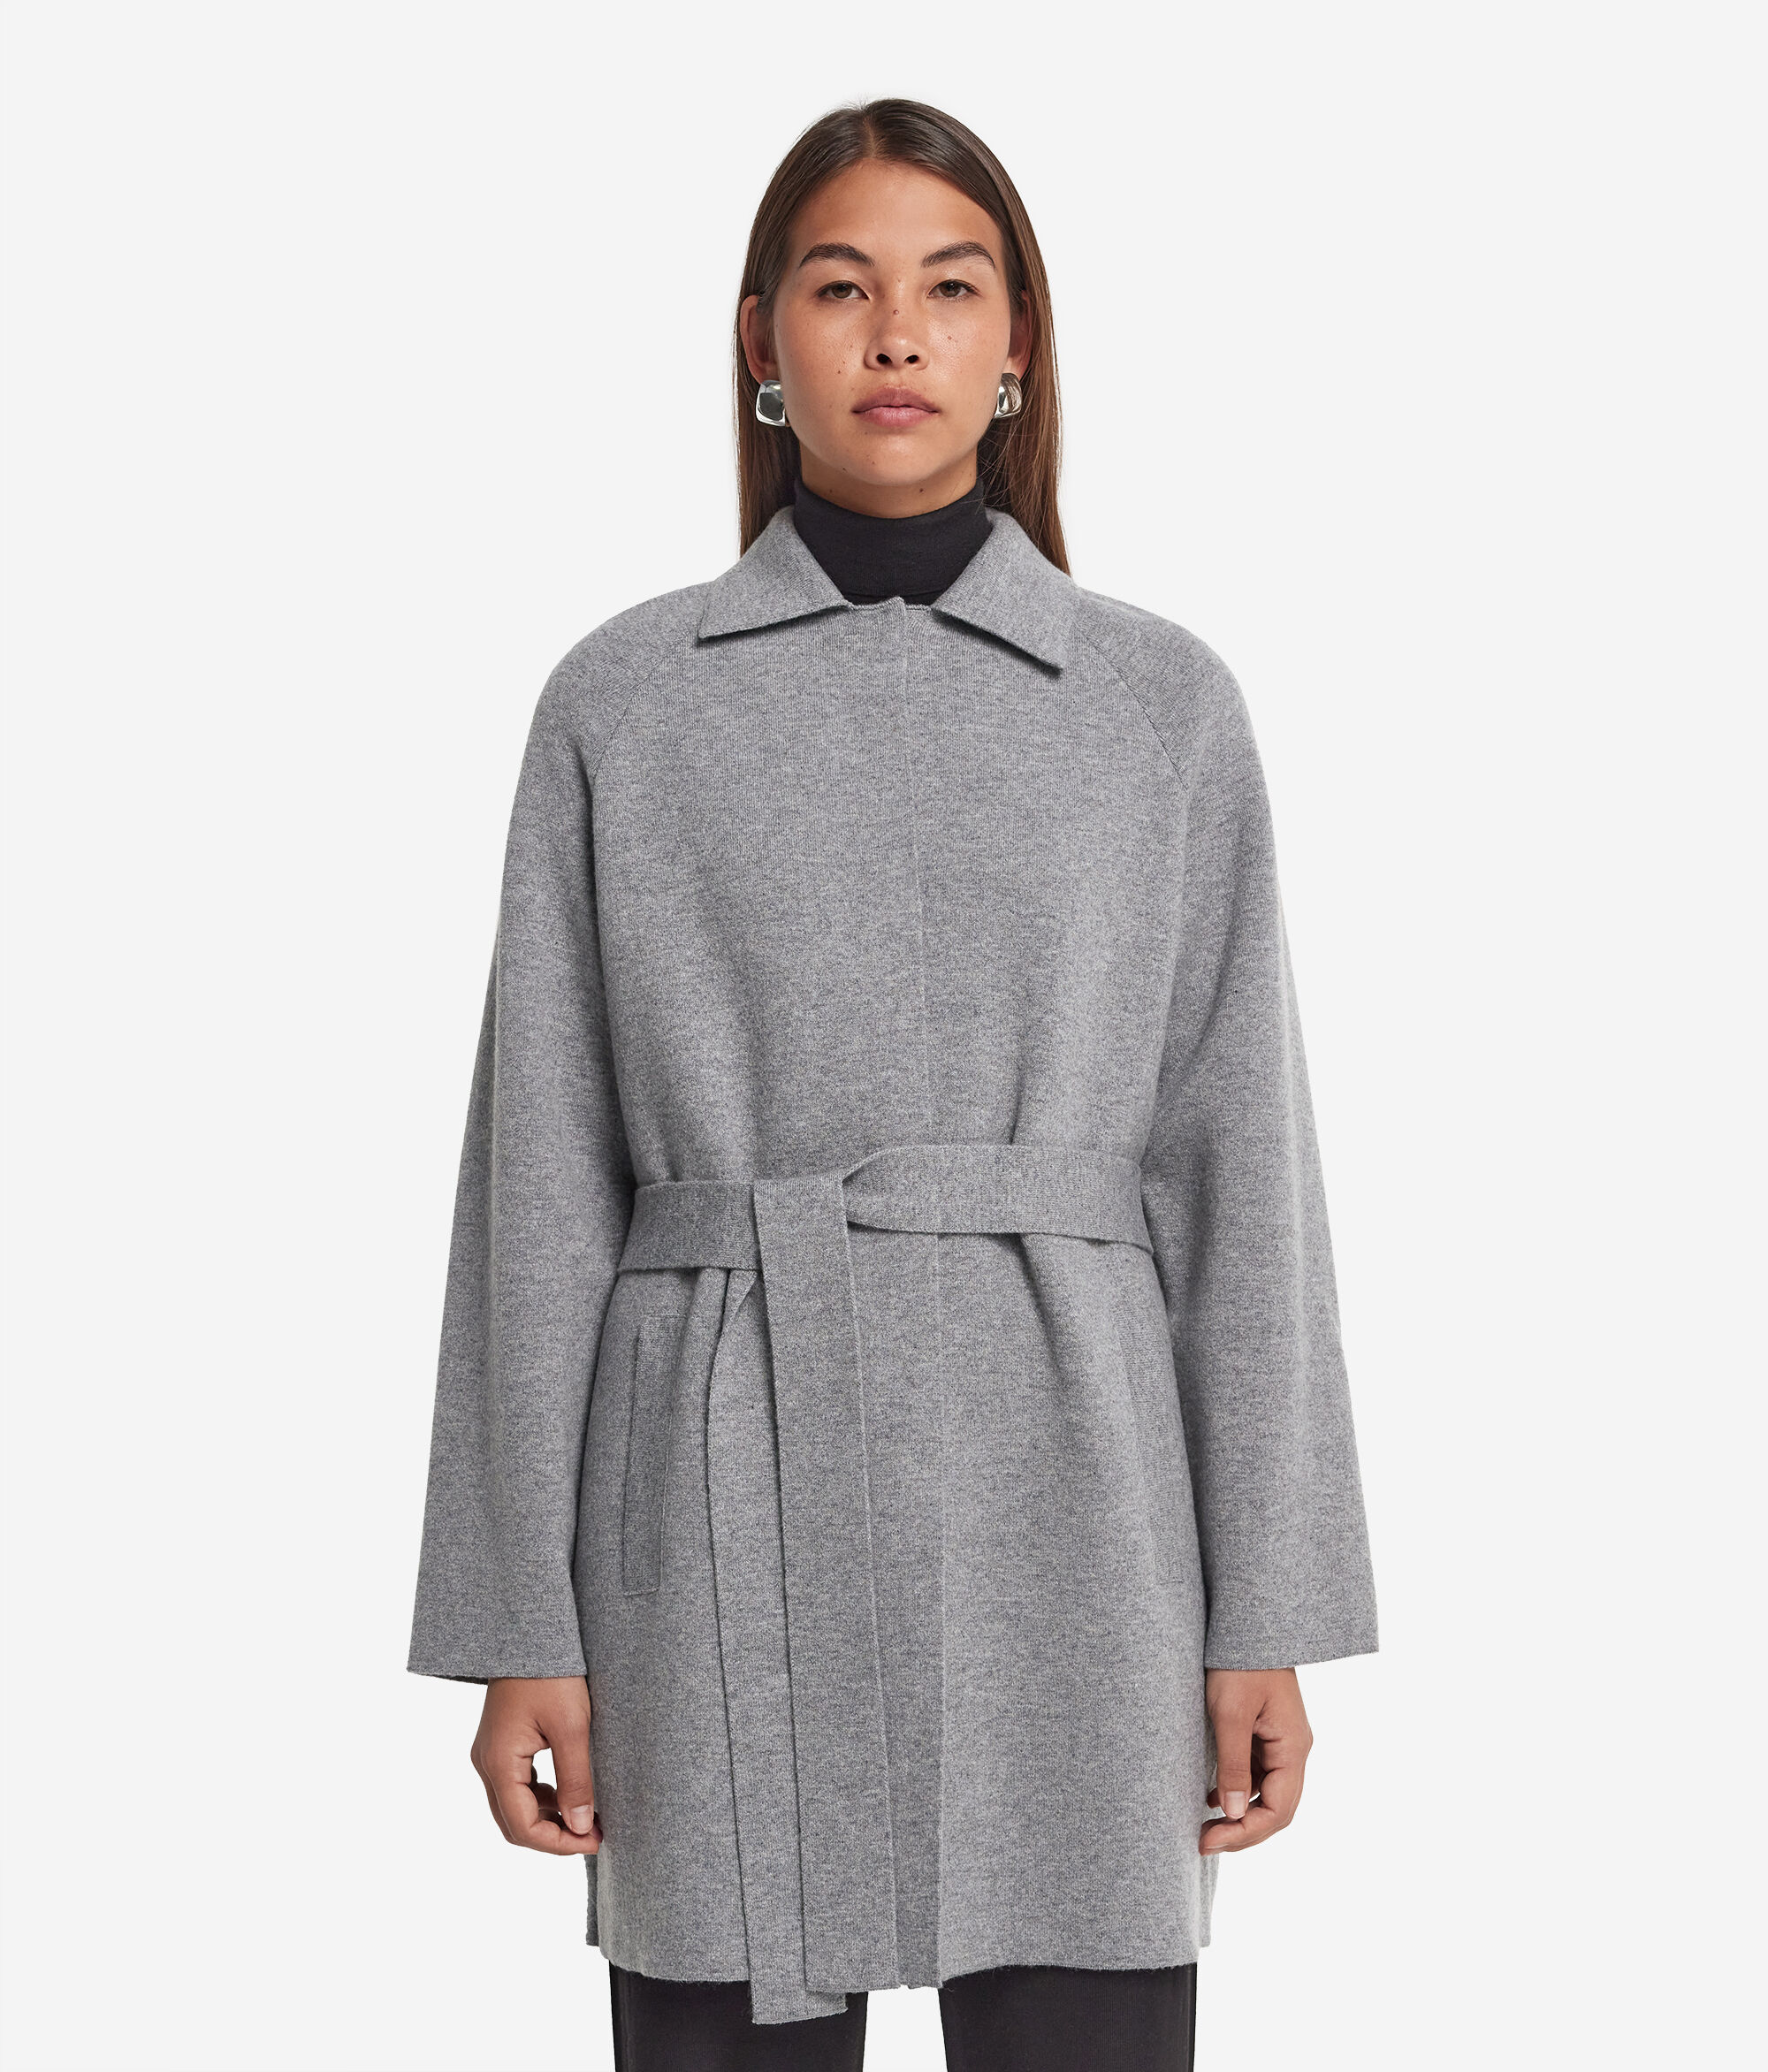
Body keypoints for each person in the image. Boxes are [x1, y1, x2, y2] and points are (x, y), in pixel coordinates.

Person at [408, 97, 1377, 2072]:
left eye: (952, 287)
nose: (898, 335)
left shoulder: (1158, 704)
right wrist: (520, 1619)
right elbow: (537, 1184)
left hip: (1074, 1499)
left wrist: (1264, 1607)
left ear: (1019, 344)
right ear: (761, 339)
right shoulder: (623, 700)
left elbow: (1239, 1177)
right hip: (714, 1486)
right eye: (842, 288)